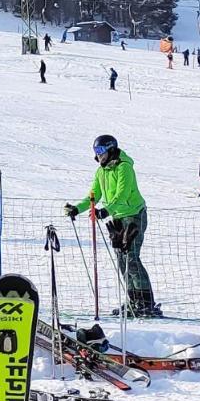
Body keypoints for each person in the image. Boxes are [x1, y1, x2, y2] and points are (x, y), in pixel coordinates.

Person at [64, 135, 158, 317]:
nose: (98, 155)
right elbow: (94, 196)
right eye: (95, 152)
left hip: (133, 215)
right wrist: (77, 209)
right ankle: (133, 300)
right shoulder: (101, 172)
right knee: (122, 261)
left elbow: (123, 193)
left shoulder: (124, 167)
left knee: (131, 258)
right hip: (117, 217)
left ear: (111, 148)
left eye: (100, 151)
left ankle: (146, 302)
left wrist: (106, 211)